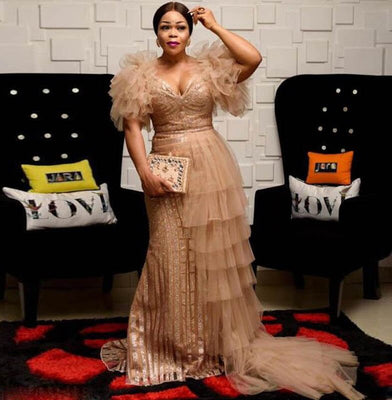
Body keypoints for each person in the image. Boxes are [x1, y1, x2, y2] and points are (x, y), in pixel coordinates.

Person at [100, 2, 366, 399]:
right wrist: (144, 172)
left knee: (209, 253)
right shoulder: (139, 74)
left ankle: (210, 342)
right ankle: (168, 342)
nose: (173, 33)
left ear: (190, 33)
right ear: (156, 33)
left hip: (210, 163)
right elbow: (133, 128)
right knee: (168, 252)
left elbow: (252, 59)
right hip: (165, 167)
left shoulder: (208, 68)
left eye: (181, 27)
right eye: (166, 27)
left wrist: (215, 26)